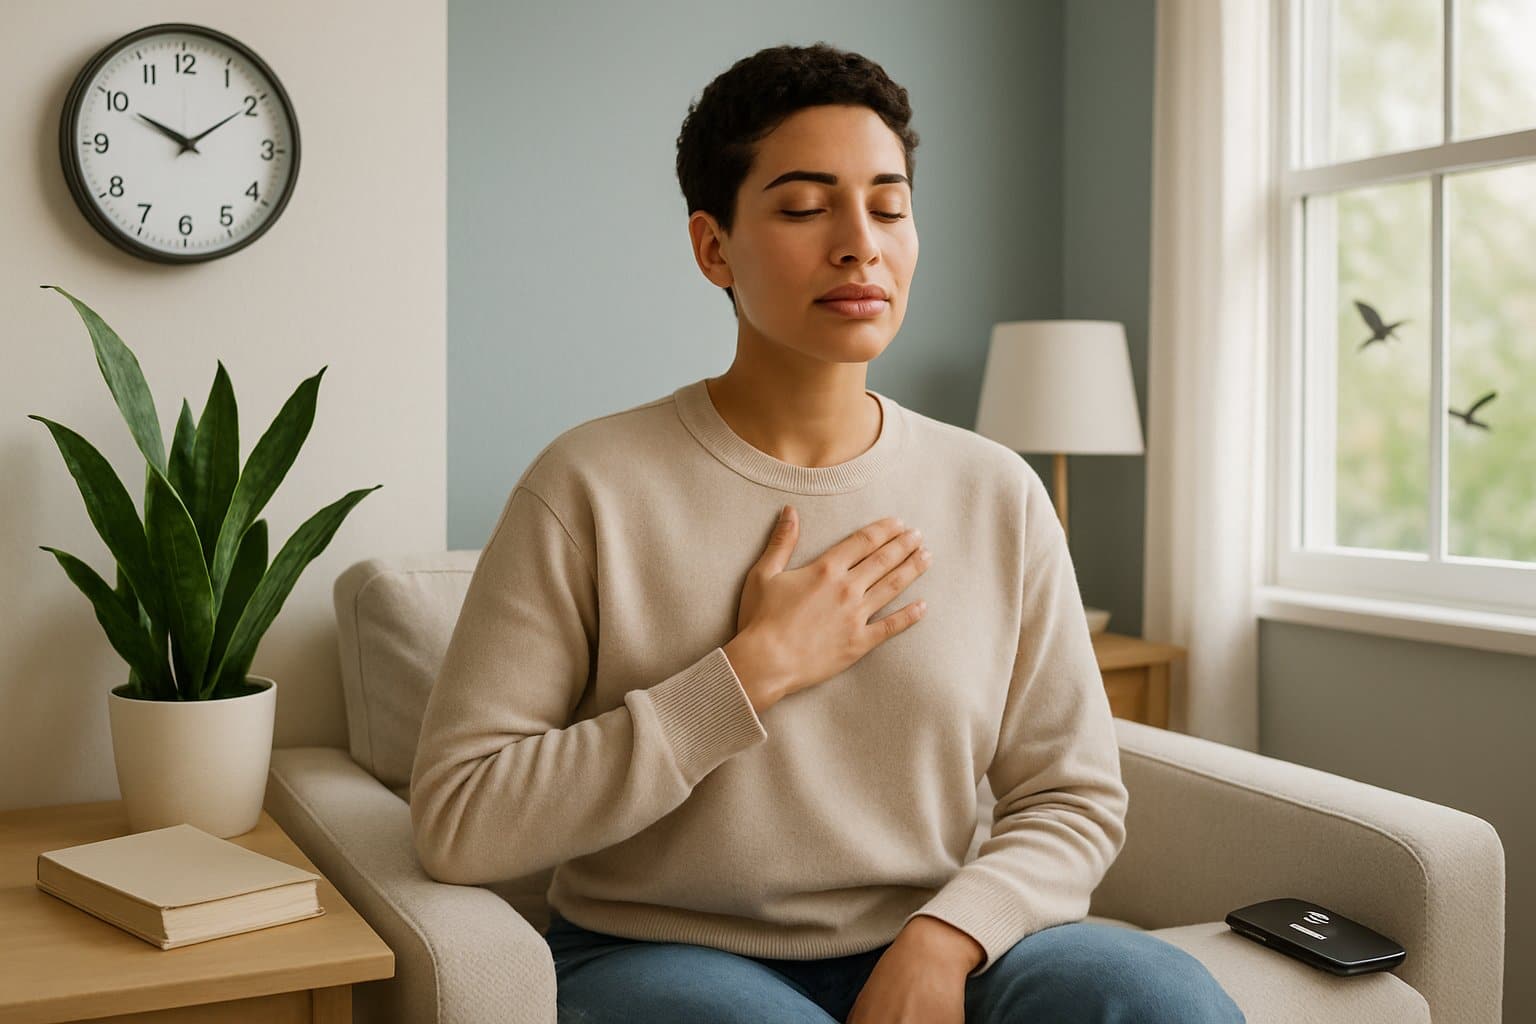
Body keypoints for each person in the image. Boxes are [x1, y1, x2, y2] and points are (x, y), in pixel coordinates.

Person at [409, 41, 1246, 1024]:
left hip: (945, 939)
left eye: (889, 207)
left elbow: (1072, 800)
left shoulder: (997, 491)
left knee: (1162, 999)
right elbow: (459, 820)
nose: (861, 243)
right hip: (656, 954)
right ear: (713, 247)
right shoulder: (589, 484)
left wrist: (948, 936)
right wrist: (750, 672)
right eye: (806, 208)